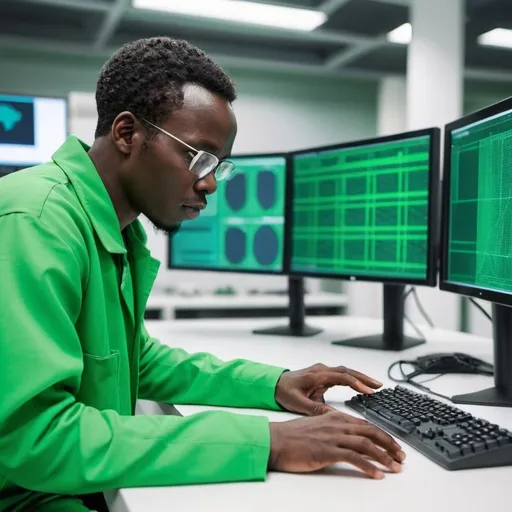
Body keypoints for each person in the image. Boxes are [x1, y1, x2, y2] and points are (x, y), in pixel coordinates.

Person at [0, 37, 405, 512]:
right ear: (128, 133)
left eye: (219, 165)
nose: (210, 182)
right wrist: (267, 443)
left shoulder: (111, 227)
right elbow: (35, 438)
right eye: (198, 157)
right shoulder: (37, 221)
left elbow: (137, 361)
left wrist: (273, 384)